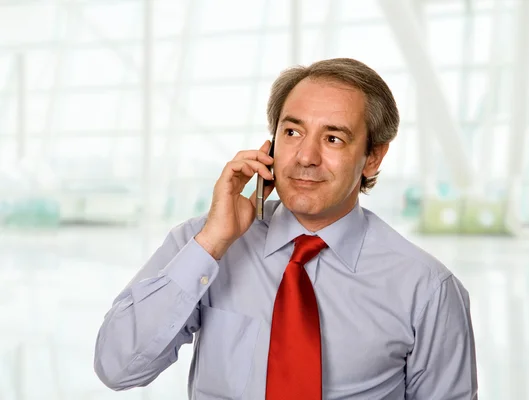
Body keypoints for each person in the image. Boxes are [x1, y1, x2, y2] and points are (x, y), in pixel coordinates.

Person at [94, 57, 478, 400]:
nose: (306, 158)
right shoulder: (203, 244)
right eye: (292, 133)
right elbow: (118, 368)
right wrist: (212, 243)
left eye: (333, 138)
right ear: (271, 143)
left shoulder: (427, 289)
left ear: (372, 158)